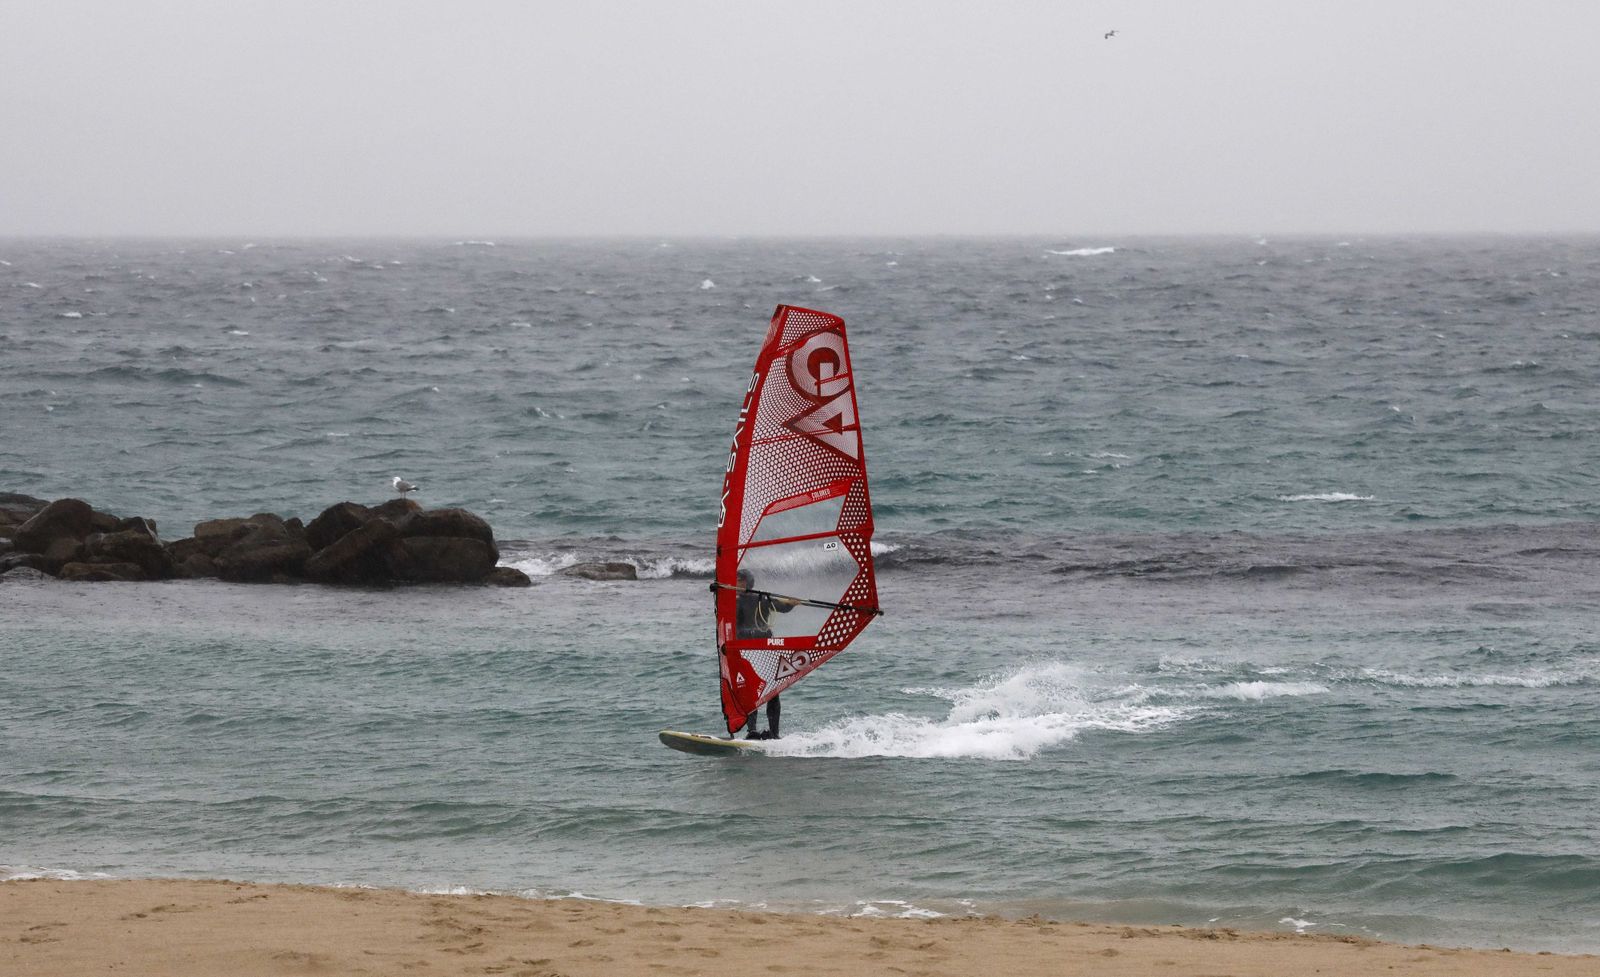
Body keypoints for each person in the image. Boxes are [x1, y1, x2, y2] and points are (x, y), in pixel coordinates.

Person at [735, 568, 798, 739]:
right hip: (748, 651)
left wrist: (791, 603)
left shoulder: (761, 598)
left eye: (739, 580)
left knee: (772, 691)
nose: (735, 583)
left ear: (747, 582)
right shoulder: (737, 601)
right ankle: (752, 731)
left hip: (764, 650)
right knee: (751, 691)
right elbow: (732, 626)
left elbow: (782, 607)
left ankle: (774, 733)